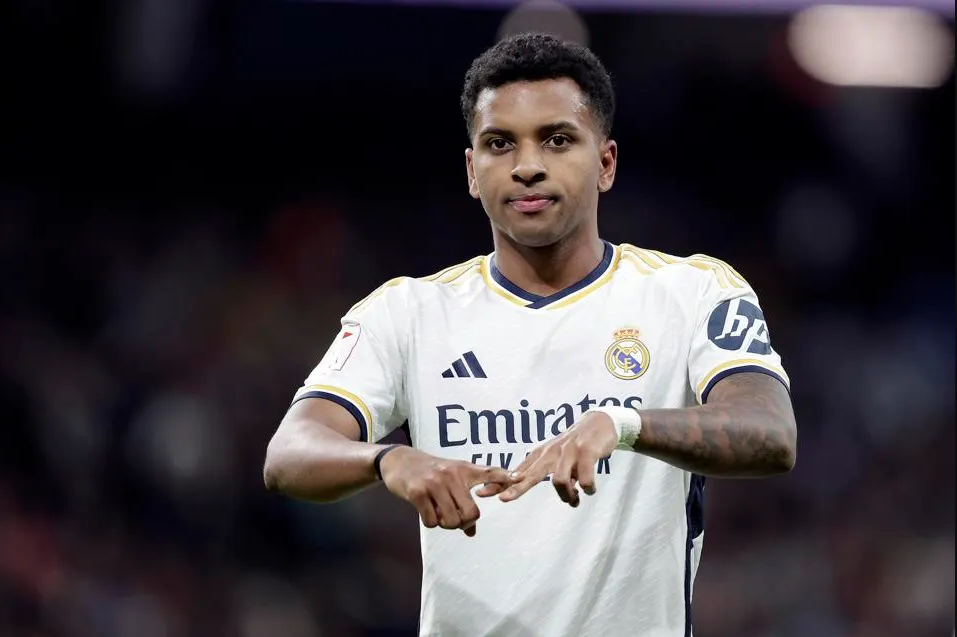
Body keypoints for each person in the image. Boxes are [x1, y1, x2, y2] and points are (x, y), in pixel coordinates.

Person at [263, 32, 797, 637]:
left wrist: (622, 425)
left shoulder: (691, 292)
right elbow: (288, 454)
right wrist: (389, 459)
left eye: (557, 139)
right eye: (499, 144)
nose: (527, 166)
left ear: (606, 163)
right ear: (472, 171)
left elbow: (772, 433)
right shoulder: (407, 312)